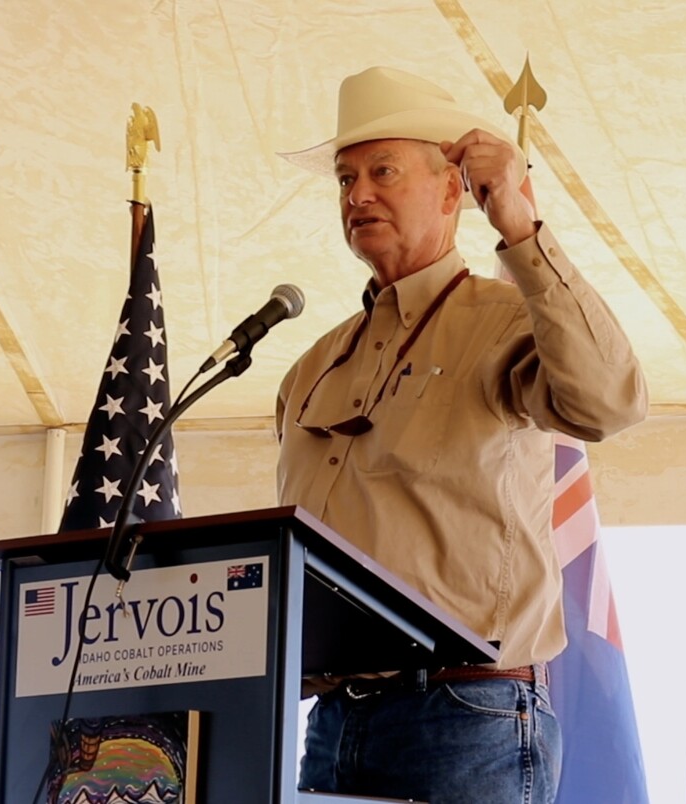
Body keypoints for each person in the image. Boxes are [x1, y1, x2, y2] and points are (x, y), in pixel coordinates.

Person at [275, 66, 648, 804]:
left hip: (464, 710)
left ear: (452, 190)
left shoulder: (507, 318)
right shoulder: (310, 365)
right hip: (332, 720)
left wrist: (518, 223)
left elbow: (609, 402)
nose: (357, 194)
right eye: (345, 178)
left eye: (383, 170)